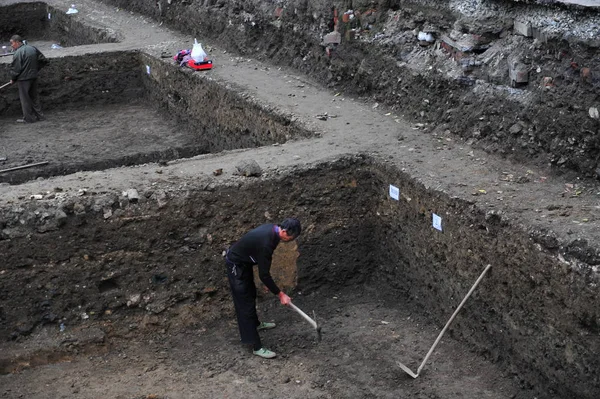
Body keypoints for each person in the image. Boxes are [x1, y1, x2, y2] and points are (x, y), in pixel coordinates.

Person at [225, 217, 302, 359]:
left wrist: (267, 283)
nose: (291, 239)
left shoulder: (273, 231)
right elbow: (264, 274)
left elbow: (263, 270)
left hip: (244, 262)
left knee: (251, 293)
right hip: (236, 265)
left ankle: (256, 324)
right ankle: (256, 346)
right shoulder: (266, 242)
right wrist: (280, 294)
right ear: (284, 231)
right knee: (244, 303)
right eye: (291, 237)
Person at [9, 35, 47, 123]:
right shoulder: (32, 48)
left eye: (12, 43)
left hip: (23, 79)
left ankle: (29, 118)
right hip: (34, 76)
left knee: (25, 99)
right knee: (34, 97)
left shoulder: (18, 53)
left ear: (17, 42)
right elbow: (43, 60)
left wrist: (13, 78)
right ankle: (40, 116)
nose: (11, 45)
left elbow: (15, 69)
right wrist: (36, 69)